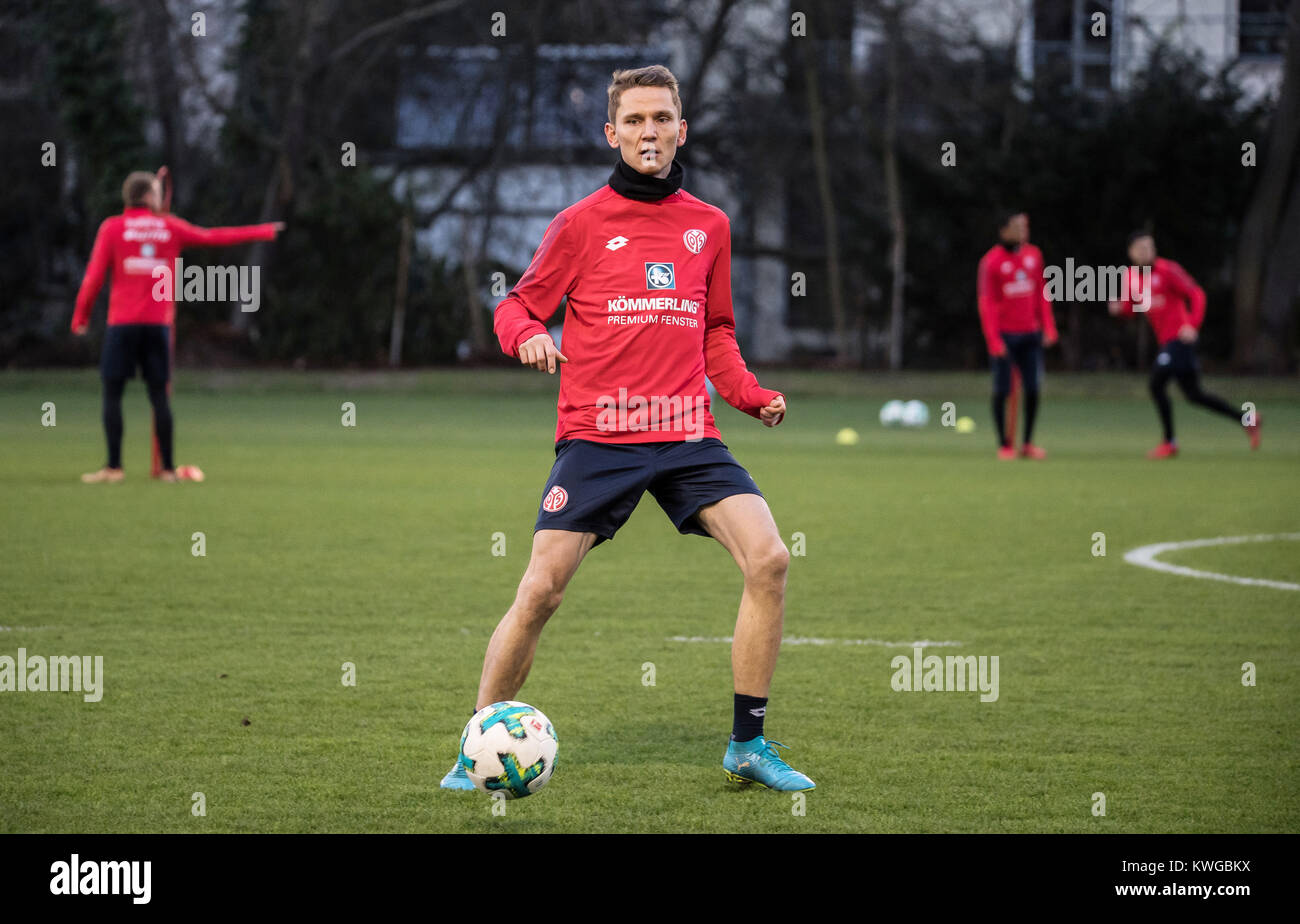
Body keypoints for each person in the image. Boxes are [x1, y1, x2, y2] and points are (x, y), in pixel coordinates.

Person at [441, 65, 812, 792]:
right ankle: (476, 745)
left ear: (681, 128)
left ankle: (748, 743)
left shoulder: (710, 225)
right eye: (635, 121)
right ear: (612, 133)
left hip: (685, 434)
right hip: (599, 434)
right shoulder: (580, 225)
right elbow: (515, 308)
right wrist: (529, 339)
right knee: (542, 589)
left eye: (662, 118)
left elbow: (717, 331)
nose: (650, 132)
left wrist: (747, 394)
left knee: (769, 559)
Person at [71, 171, 283, 482]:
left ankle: (113, 468)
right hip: (158, 325)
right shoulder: (170, 227)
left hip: (123, 324)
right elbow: (215, 237)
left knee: (112, 394)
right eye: (157, 192)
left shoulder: (112, 228)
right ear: (148, 196)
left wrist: (81, 317)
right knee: (159, 395)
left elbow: (94, 276)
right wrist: (263, 231)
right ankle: (168, 470)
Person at [1109, 231, 1260, 458]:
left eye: (1150, 247)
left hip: (1179, 339)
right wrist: (1120, 309)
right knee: (1195, 395)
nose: (1147, 252)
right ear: (1131, 253)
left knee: (1156, 383)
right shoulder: (1130, 276)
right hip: (1167, 342)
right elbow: (1133, 308)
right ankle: (1247, 419)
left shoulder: (1168, 270)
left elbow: (1197, 294)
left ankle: (1170, 442)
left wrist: (1193, 325)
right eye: (1141, 248)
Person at [977, 210, 1058, 459]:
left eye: (1025, 226)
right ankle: (1004, 444)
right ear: (1004, 231)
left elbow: (1041, 293)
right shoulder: (990, 262)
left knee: (1032, 388)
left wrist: (1049, 326)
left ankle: (1028, 443)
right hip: (1005, 336)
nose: (1023, 231)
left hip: (1030, 334)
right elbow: (986, 302)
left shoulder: (1034, 255)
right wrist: (993, 340)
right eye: (1017, 227)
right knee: (1002, 390)